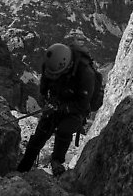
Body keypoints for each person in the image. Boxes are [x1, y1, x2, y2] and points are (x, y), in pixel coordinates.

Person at [17, 42, 95, 176]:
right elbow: (45, 83)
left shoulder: (85, 74)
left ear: (67, 67)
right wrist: (44, 98)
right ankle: (24, 166)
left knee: (65, 129)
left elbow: (82, 104)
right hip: (56, 99)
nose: (53, 76)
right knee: (42, 132)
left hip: (75, 109)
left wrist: (61, 108)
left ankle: (57, 161)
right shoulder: (51, 65)